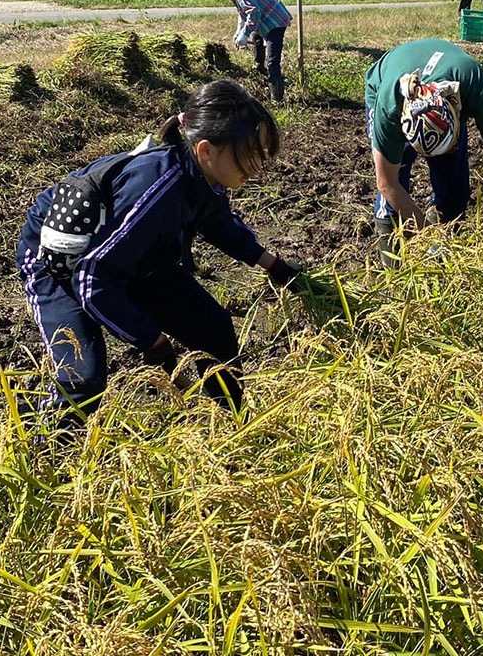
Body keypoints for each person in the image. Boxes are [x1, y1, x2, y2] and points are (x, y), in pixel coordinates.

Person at [16, 80, 302, 427]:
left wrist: (275, 267)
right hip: (62, 264)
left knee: (213, 327)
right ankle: (49, 445)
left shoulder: (203, 178)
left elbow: (219, 225)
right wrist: (151, 341)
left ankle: (235, 422)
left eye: (261, 153)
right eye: (250, 153)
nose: (257, 166)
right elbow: (92, 279)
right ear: (207, 150)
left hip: (128, 256)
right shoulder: (156, 190)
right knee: (84, 377)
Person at [365, 38, 483, 265]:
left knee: (454, 188)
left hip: (452, 79)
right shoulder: (389, 108)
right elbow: (386, 183)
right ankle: (392, 264)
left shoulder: (474, 85)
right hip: (385, 80)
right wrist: (430, 238)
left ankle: (444, 234)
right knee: (395, 185)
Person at [208, 0, 292, 101]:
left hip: (275, 22)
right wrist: (242, 30)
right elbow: (247, 12)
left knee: (272, 61)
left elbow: (253, 12)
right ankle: (260, 70)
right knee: (256, 38)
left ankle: (277, 99)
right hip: (268, 19)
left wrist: (245, 33)